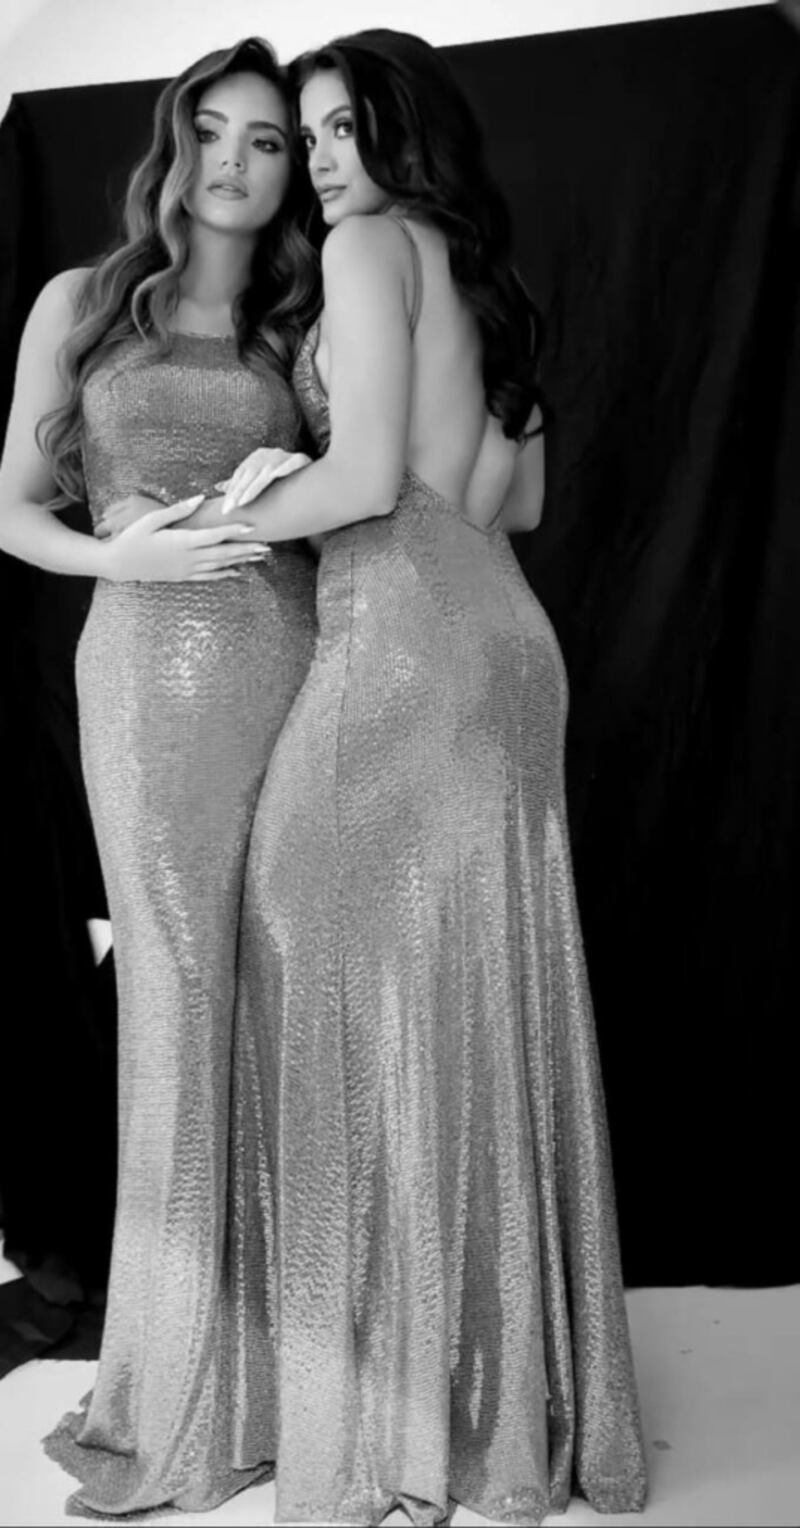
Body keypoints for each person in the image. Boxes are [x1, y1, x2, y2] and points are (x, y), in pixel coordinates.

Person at [179, 26, 648, 1527]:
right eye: (307, 134)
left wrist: (227, 510)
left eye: (341, 127)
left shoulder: (369, 246)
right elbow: (518, 496)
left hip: (402, 643)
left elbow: (370, 481)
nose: (320, 160)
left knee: (311, 956)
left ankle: (384, 1392)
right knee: (472, 978)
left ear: (403, 131)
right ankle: (493, 1386)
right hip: (508, 643)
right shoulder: (485, 280)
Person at [0, 37, 320, 1514]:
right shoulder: (82, 300)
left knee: (286, 986)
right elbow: (13, 510)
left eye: (269, 140)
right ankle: (182, 1367)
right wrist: (118, 556)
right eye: (213, 131)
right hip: (138, 668)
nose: (235, 163)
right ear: (171, 144)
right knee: (177, 991)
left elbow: (366, 487)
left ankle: (305, 1356)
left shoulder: (302, 321)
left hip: (290, 661)